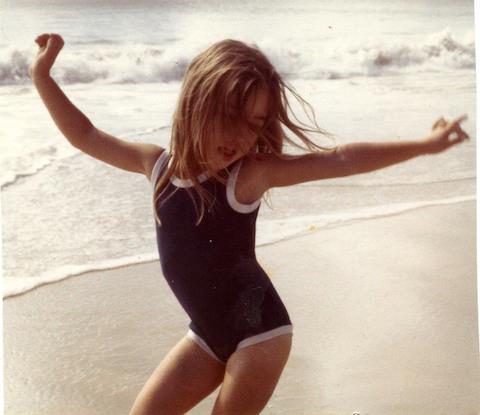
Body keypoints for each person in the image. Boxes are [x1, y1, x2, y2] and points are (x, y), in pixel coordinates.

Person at [29, 33, 469, 415]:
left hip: (262, 338)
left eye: (255, 123)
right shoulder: (156, 166)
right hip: (206, 336)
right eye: (231, 117)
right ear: (198, 102)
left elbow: (341, 159)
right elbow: (85, 136)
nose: (242, 137)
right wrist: (41, 76)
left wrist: (424, 145)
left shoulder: (249, 176)